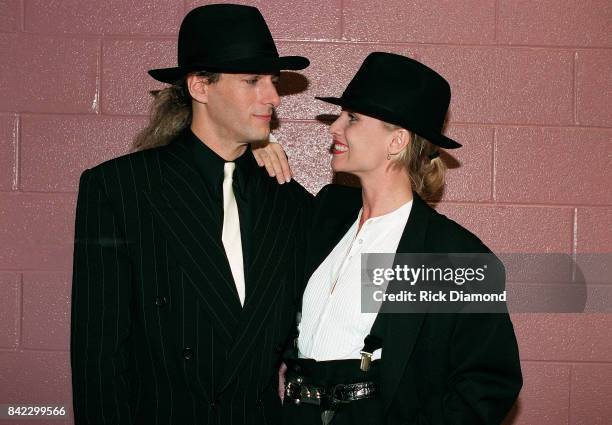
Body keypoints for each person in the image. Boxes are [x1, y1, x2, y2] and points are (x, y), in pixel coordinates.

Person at [70, 4, 312, 424]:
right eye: (252, 81)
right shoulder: (120, 189)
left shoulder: (289, 201)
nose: (273, 97)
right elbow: (99, 355)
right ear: (200, 86)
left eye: (272, 81)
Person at [280, 52, 522, 425]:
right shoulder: (325, 216)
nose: (335, 127)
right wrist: (258, 148)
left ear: (396, 142)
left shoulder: (454, 257)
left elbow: (488, 384)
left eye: (353, 118)